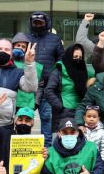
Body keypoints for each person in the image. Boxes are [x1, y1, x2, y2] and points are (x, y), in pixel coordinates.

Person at [0, 38, 38, 128]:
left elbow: (31, 87)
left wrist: (29, 63)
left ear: (11, 54)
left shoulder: (17, 72)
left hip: (5, 125)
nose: (3, 51)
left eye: (7, 49)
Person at [27, 12, 65, 147]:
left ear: (46, 23)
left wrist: (55, 76)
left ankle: (47, 148)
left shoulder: (54, 39)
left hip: (47, 86)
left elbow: (62, 60)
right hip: (27, 86)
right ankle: (24, 145)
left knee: (46, 118)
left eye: (40, 23)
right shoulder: (25, 38)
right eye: (35, 23)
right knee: (25, 118)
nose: (37, 25)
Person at [44, 44, 93, 127]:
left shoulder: (85, 71)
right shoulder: (59, 70)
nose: (78, 59)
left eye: (80, 57)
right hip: (64, 112)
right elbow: (49, 91)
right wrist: (61, 107)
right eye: (75, 56)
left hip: (82, 111)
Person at [9, 33, 43, 113]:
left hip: (27, 104)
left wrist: (36, 102)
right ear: (13, 46)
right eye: (18, 45)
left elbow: (40, 86)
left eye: (23, 46)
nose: (20, 48)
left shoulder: (34, 65)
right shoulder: (7, 62)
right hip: (10, 102)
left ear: (27, 49)